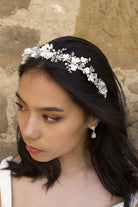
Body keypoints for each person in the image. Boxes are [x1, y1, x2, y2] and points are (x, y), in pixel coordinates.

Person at [0, 36, 137, 207]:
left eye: (50, 117)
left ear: (93, 116)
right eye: (22, 107)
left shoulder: (129, 192)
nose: (28, 131)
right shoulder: (5, 185)